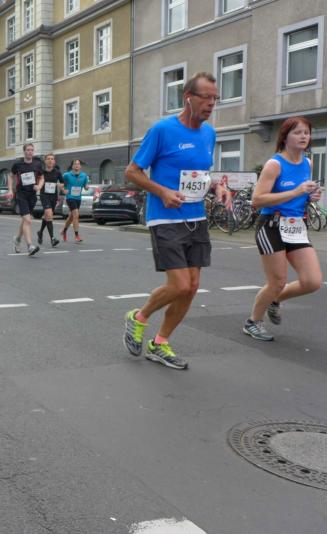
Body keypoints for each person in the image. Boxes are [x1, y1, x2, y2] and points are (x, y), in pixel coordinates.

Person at [123, 72, 229, 370]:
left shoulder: (209, 134)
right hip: (165, 218)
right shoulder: (163, 130)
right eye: (205, 97)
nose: (211, 103)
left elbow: (201, 173)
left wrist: (217, 187)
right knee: (180, 285)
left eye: (215, 98)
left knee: (192, 287)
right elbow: (132, 172)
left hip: (197, 218)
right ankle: (138, 317)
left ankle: (160, 343)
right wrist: (162, 192)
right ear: (188, 97)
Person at [244, 116, 323, 341]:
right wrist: (296, 192)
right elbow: (257, 200)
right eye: (297, 132)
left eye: (306, 132)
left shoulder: (308, 163)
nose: (303, 136)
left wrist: (311, 196)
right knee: (277, 281)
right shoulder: (275, 165)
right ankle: (253, 322)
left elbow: (302, 195)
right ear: (285, 137)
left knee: (312, 281)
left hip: (296, 226)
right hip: (271, 226)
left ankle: (275, 300)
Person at [11, 143, 42, 256]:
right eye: (28, 150)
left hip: (32, 195)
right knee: (28, 220)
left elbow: (42, 177)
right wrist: (10, 190)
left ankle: (17, 239)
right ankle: (30, 246)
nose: (30, 152)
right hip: (21, 194)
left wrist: (39, 186)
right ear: (24, 151)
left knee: (25, 220)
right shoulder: (17, 164)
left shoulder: (37, 164)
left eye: (31, 150)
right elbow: (11, 176)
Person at [61, 159, 89, 243]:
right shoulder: (66, 175)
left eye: (78, 164)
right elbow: (60, 183)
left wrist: (87, 187)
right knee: (76, 214)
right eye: (75, 164)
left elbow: (85, 186)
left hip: (78, 198)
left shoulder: (84, 175)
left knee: (71, 217)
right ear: (72, 166)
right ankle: (77, 235)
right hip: (70, 197)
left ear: (80, 166)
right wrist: (63, 190)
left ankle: (64, 230)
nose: (77, 165)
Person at [38, 154, 62, 247]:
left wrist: (60, 185)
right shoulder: (41, 172)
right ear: (45, 161)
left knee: (47, 216)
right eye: (48, 159)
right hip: (44, 195)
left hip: (53, 197)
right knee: (49, 214)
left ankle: (40, 232)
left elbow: (63, 182)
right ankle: (52, 238)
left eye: (52, 159)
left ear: (54, 161)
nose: (50, 160)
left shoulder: (57, 172)